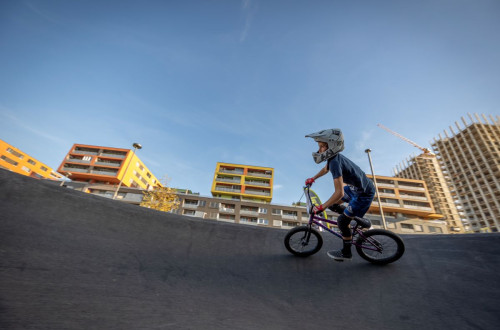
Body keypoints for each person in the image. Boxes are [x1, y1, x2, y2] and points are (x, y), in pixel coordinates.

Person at [305, 129, 375, 261]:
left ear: (331, 146)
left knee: (342, 222)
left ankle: (346, 252)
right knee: (333, 205)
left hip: (363, 194)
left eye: (321, 146)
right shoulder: (333, 159)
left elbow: (339, 192)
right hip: (355, 189)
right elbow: (326, 168)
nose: (319, 150)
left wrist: (322, 207)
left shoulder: (335, 162)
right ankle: (359, 220)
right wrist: (313, 178)